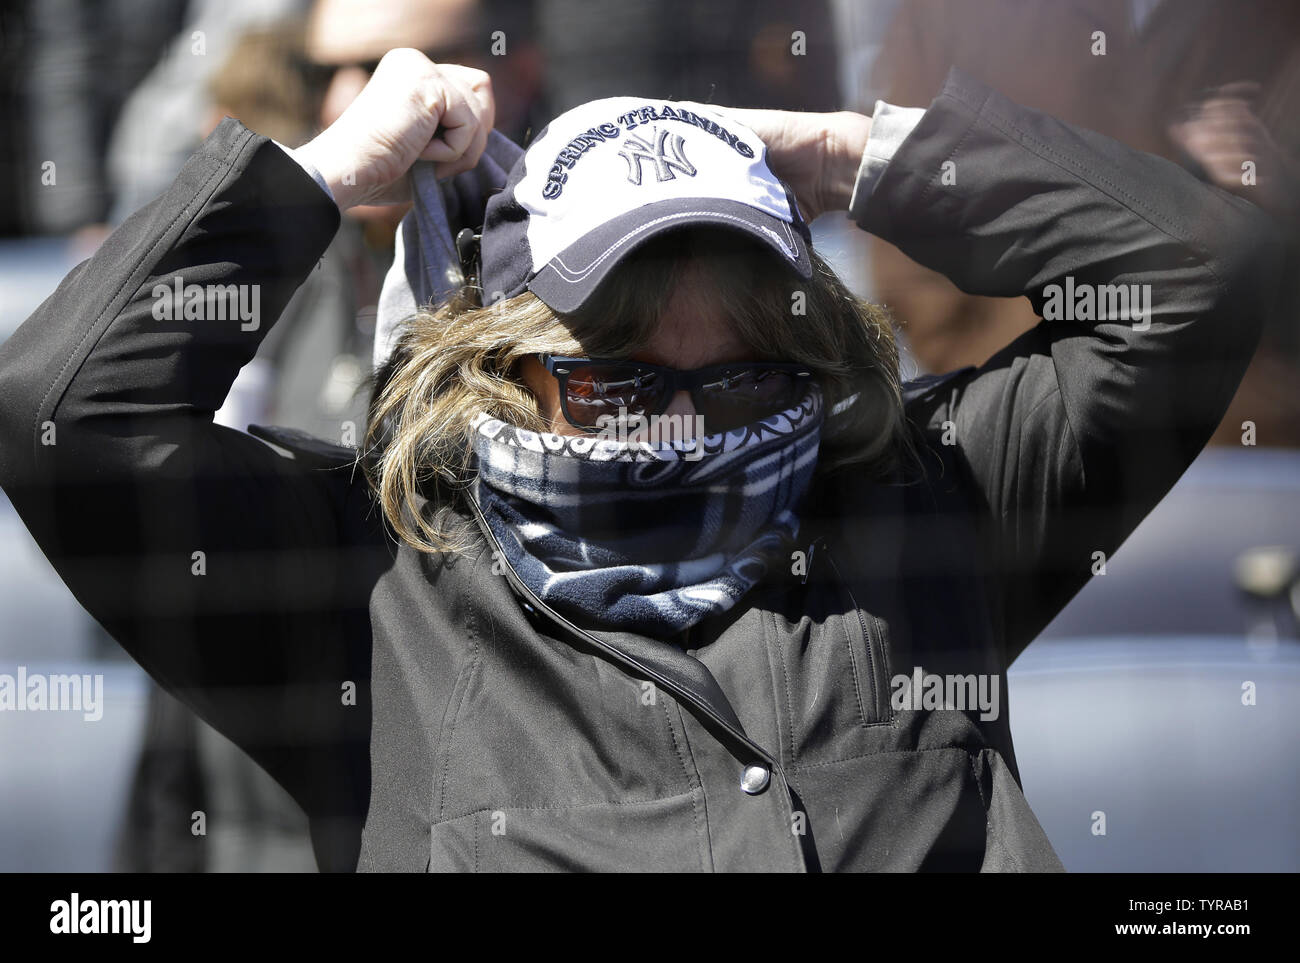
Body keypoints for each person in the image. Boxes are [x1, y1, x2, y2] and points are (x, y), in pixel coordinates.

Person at [0, 49, 1280, 872]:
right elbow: (57, 410)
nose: (688, 426)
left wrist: (848, 156)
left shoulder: (921, 509)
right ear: (491, 368)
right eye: (612, 378)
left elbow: (1193, 275)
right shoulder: (372, 587)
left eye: (742, 375)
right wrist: (331, 173)